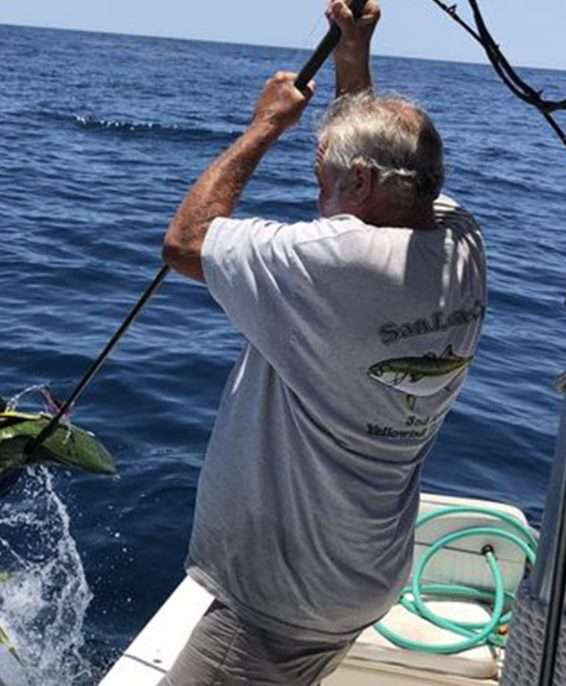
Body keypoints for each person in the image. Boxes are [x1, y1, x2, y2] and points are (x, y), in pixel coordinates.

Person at [159, 1, 487, 684]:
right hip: (364, 572)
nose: (317, 196)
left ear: (361, 182)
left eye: (321, 180)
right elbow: (380, 166)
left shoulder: (339, 261)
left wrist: (265, 127)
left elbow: (185, 244)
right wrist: (351, 57)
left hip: (282, 598)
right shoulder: (460, 242)